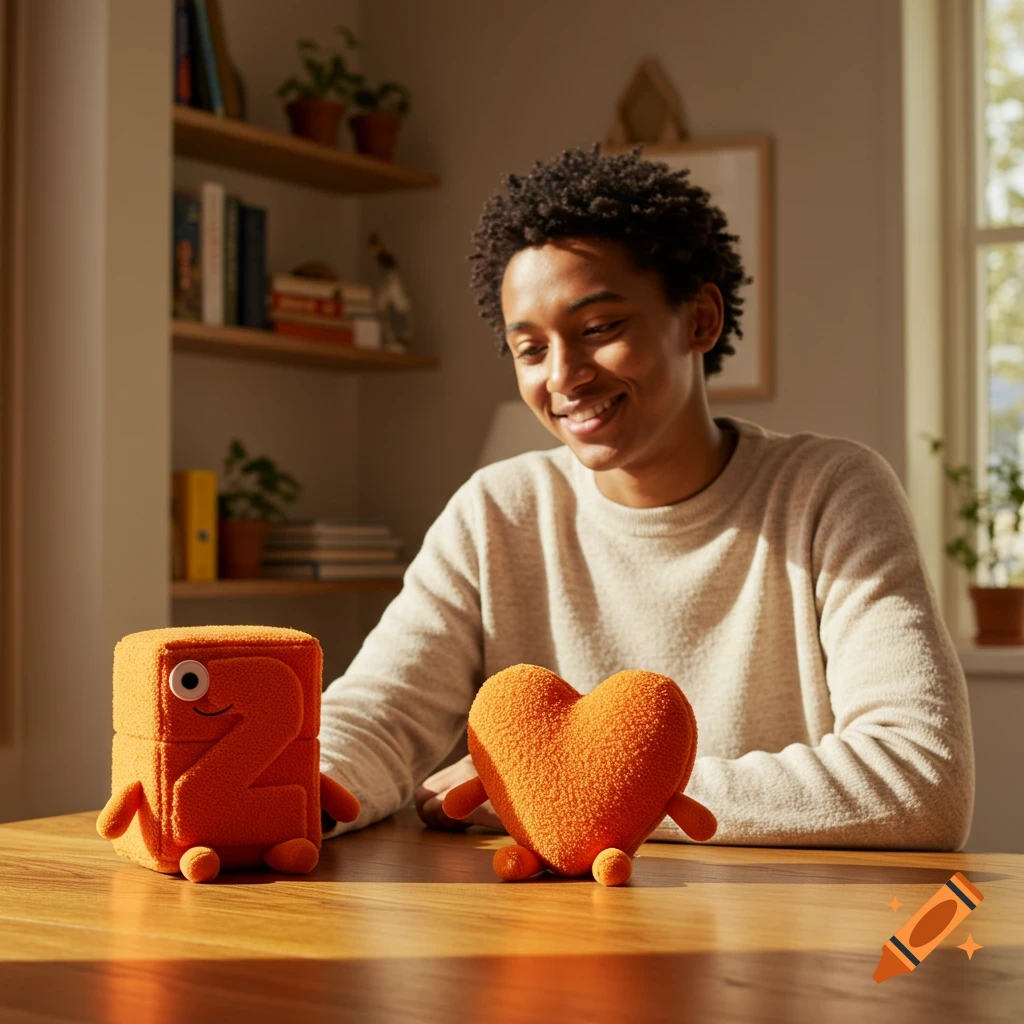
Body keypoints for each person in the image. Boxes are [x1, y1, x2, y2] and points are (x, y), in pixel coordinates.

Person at [318, 144, 974, 850]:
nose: (564, 377)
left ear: (700, 320)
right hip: (545, 936)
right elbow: (380, 715)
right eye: (531, 349)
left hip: (780, 929)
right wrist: (281, 795)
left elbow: (920, 779)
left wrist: (559, 789)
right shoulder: (497, 511)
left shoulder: (831, 493)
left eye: (600, 329)